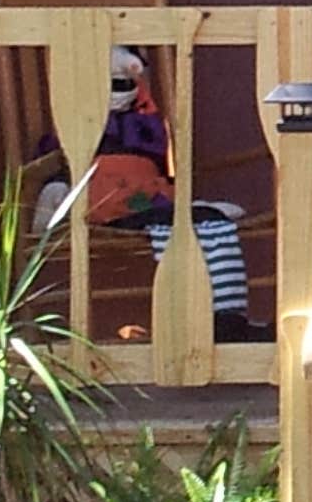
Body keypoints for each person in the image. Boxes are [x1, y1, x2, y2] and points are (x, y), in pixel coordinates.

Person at [35, 46, 269, 344]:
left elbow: (158, 162)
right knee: (183, 223)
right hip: (104, 205)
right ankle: (209, 316)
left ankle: (225, 318)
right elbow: (52, 164)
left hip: (149, 197)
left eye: (123, 85)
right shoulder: (73, 126)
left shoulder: (142, 124)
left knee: (200, 223)